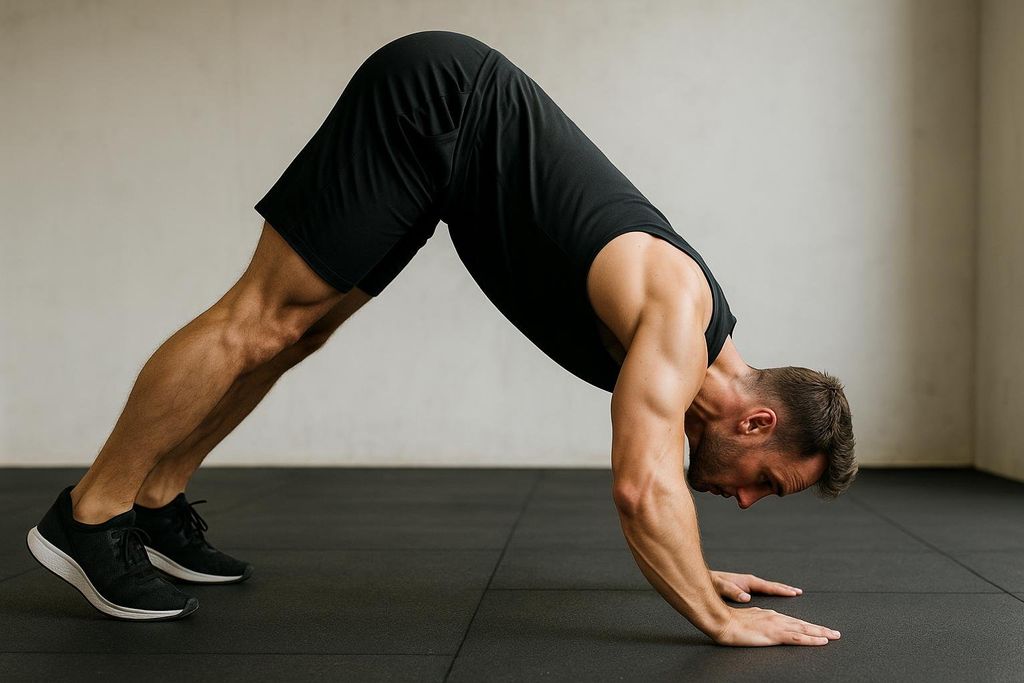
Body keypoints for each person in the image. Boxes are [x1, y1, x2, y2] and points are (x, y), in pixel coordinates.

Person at [26, 30, 856, 645]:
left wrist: (693, 569)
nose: (747, 500)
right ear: (757, 421)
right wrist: (712, 617)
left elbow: (658, 484)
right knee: (263, 318)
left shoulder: (689, 349)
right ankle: (91, 512)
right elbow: (642, 489)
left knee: (300, 333)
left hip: (446, 158)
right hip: (434, 105)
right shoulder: (679, 315)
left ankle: (157, 497)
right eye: (767, 482)